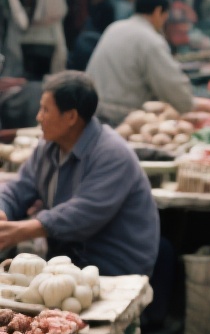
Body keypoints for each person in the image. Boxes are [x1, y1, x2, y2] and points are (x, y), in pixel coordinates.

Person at [0, 72, 159, 275]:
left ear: (71, 117)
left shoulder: (112, 153)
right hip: (69, 262)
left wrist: (21, 231)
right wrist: (3, 209)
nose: (38, 117)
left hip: (114, 266)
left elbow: (82, 214)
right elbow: (18, 188)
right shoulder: (48, 147)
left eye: (45, 110)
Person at [86, 0, 210, 125]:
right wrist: (191, 103)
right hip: (121, 118)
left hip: (91, 111)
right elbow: (172, 86)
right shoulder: (151, 40)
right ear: (158, 11)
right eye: (165, 15)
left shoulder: (114, 28)